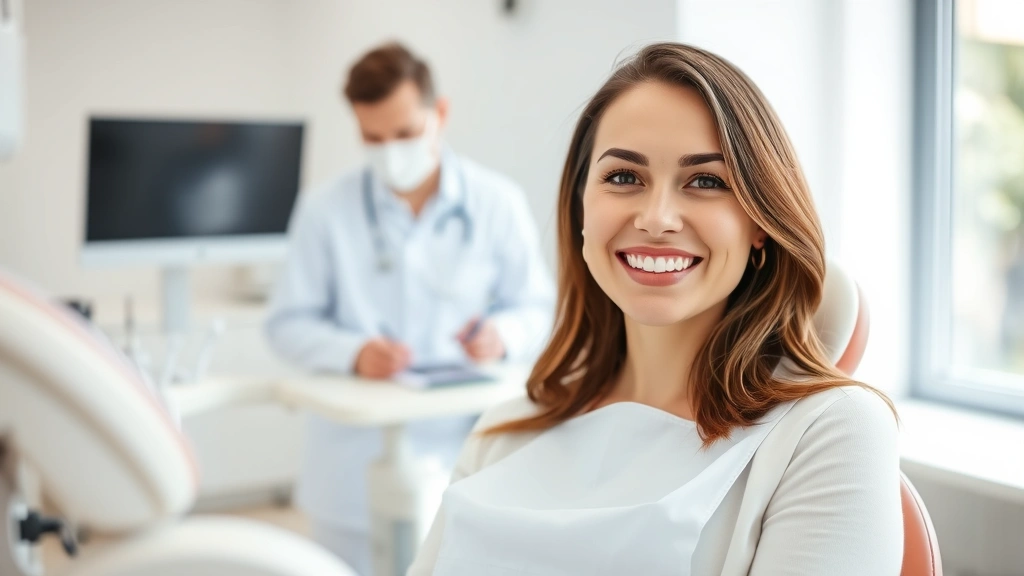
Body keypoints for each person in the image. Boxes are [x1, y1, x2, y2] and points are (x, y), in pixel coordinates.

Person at [408, 42, 903, 575]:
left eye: (706, 181)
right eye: (624, 177)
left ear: (760, 223)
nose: (657, 217)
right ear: (582, 206)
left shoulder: (830, 432)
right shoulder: (504, 431)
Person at [265, 42, 555, 575]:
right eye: (372, 138)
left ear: (438, 113)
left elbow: (537, 305)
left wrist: (503, 334)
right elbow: (287, 324)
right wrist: (352, 353)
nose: (390, 151)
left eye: (404, 134)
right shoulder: (325, 209)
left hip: (466, 453)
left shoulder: (496, 202)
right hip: (352, 464)